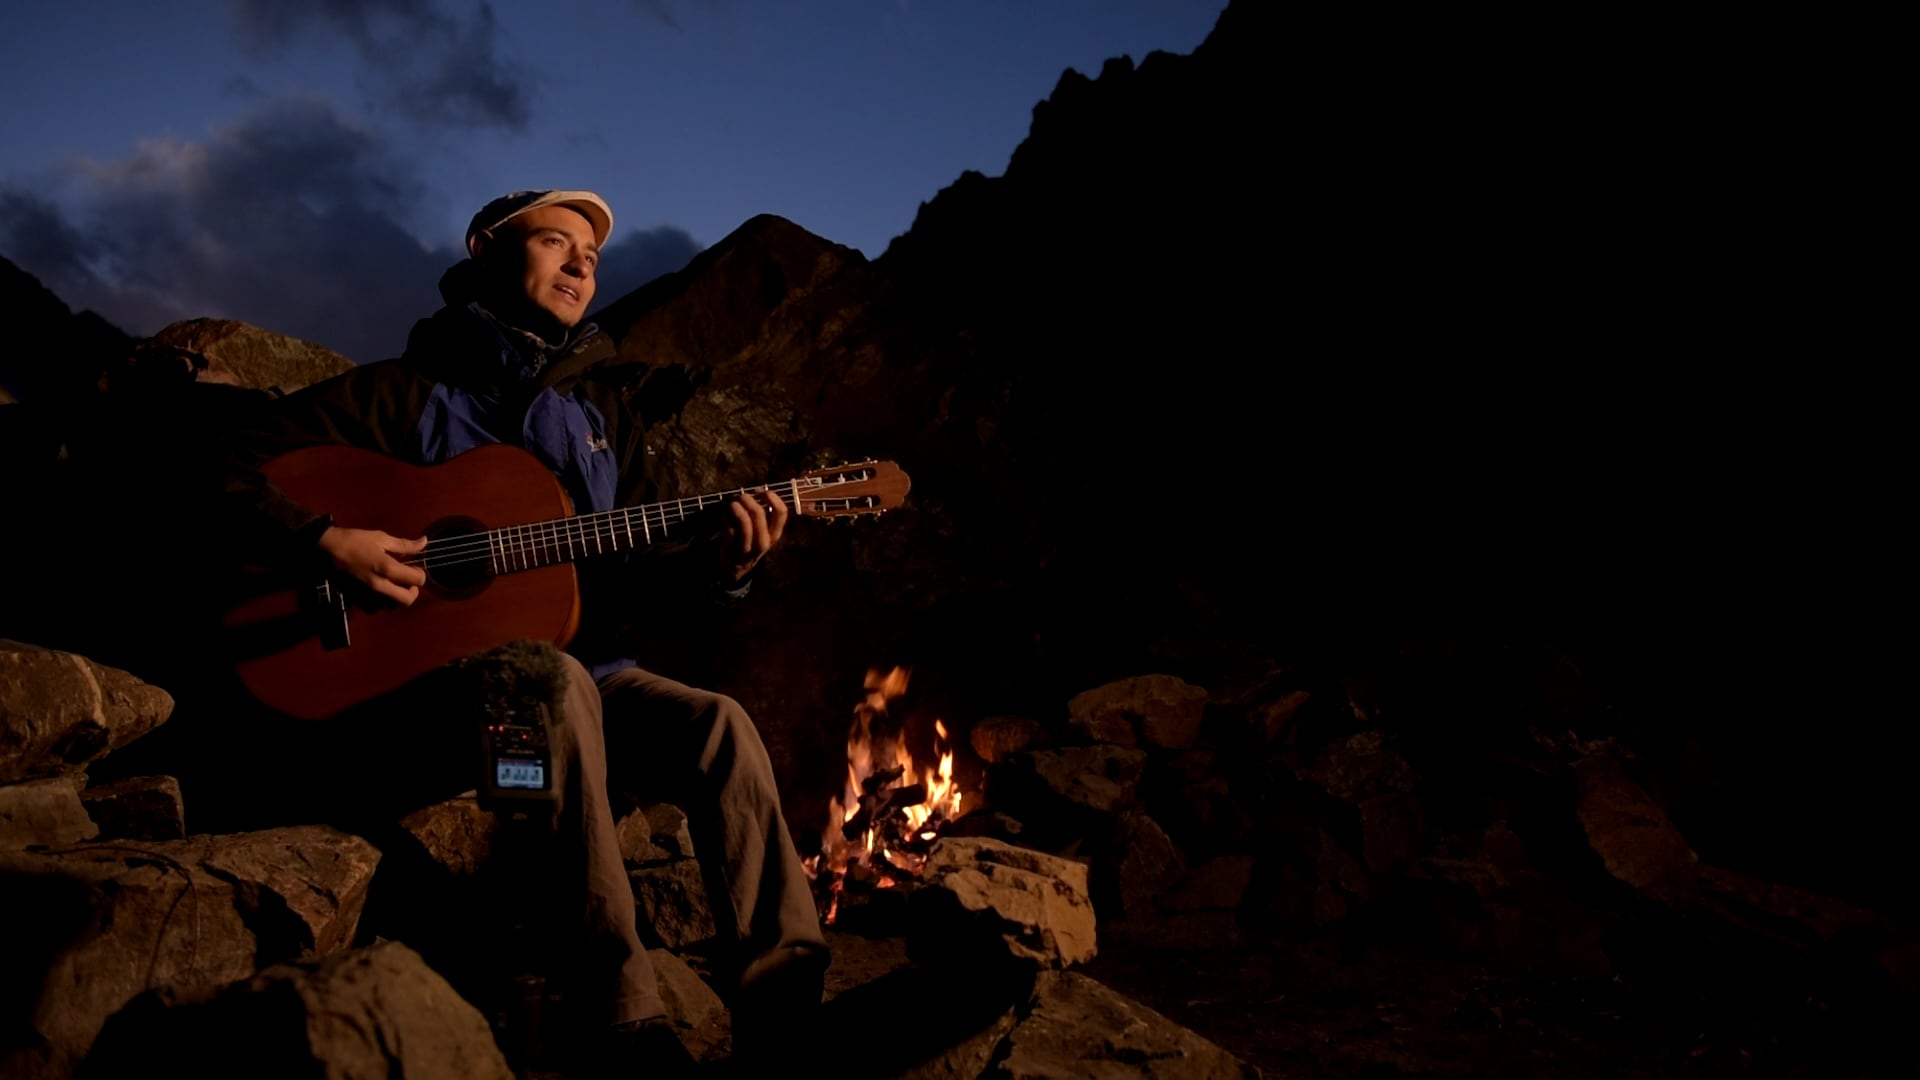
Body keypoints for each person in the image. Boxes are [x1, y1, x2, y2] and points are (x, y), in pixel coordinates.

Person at [216, 189, 828, 1077]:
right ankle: (617, 1017)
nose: (584, 264)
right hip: (438, 711)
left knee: (718, 726)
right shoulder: (403, 396)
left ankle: (786, 1014)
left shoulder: (600, 421)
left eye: (592, 254)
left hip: (579, 690)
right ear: (489, 255)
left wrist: (726, 570)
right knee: (550, 680)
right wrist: (324, 538)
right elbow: (220, 462)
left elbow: (637, 588)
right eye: (557, 242)